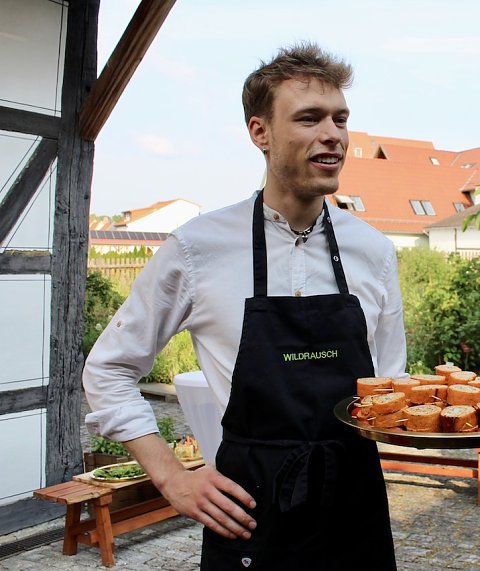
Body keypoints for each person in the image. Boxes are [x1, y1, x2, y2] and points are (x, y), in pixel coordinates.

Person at [82, 42, 406, 570]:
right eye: (309, 118)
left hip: (355, 505)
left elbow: (390, 383)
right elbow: (109, 370)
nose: (334, 135)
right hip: (249, 512)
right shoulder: (197, 247)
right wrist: (171, 477)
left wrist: (461, 422)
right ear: (260, 132)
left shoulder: (372, 250)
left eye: (340, 119)